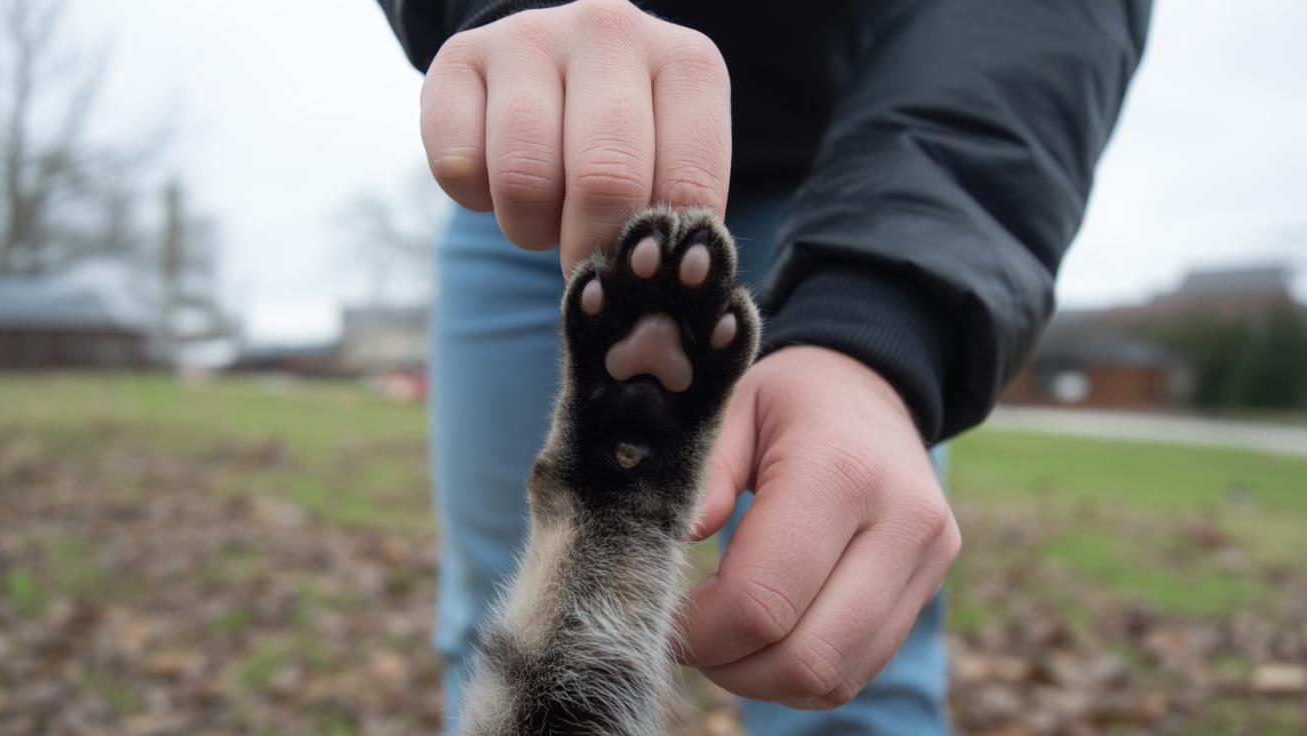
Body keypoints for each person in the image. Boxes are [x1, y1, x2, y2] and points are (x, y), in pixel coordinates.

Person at [376, 1, 1150, 732]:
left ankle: (604, 527)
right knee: (497, 612)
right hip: (542, 162)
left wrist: (878, 323)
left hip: (852, 184)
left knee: (837, 642)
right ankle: (603, 536)